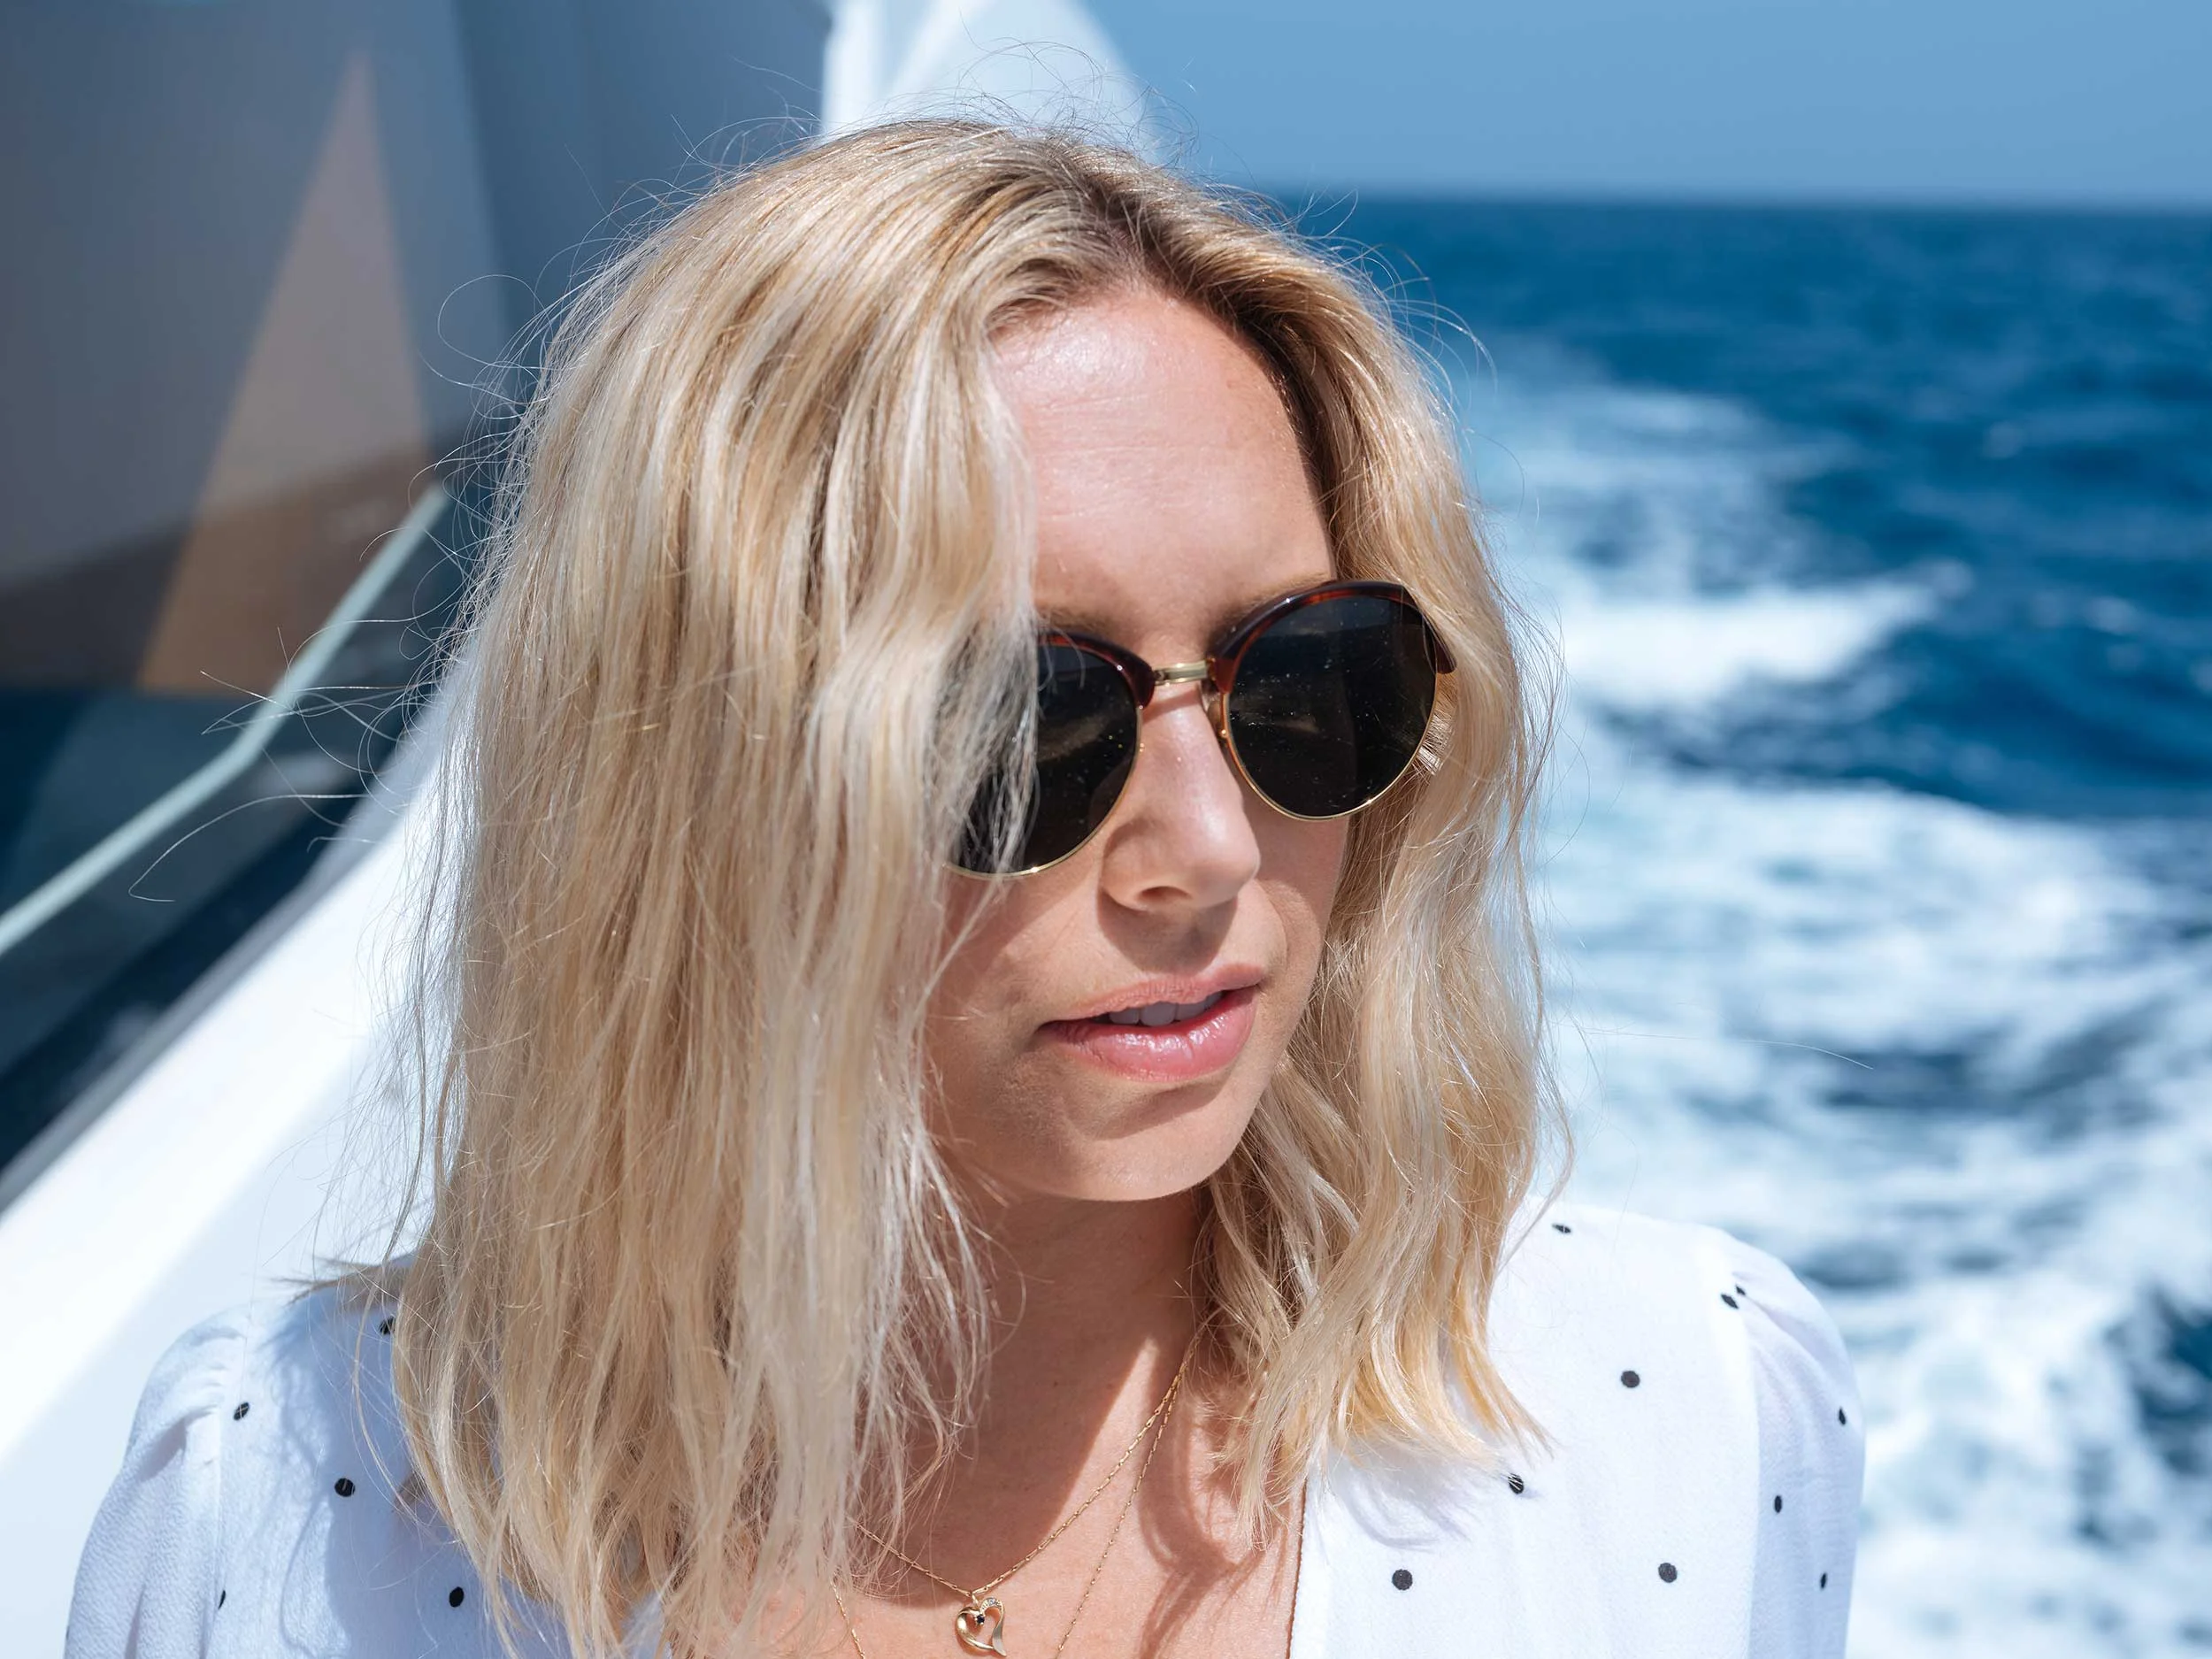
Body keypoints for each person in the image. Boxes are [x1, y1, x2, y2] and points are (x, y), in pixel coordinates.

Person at [66, 121, 1862, 1659]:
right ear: (690, 782)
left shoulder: (1685, 1419)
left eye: (1309, 681)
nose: (1208, 846)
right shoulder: (279, 1501)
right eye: (1019, 723)